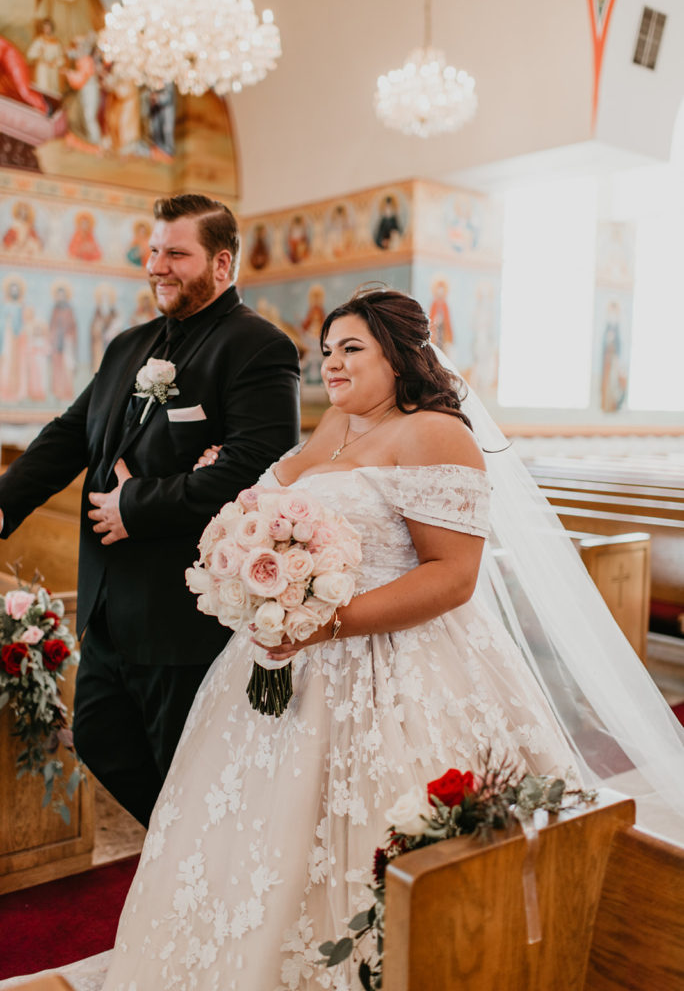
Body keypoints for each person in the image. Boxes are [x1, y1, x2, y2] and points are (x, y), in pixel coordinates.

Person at [6, 286, 684, 991]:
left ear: (400, 354)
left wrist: (323, 621)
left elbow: (453, 576)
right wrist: (246, 557)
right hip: (284, 661)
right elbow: (262, 498)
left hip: (396, 663)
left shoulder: (435, 433)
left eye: (351, 348)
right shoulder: (340, 423)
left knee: (369, 841)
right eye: (326, 351)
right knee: (259, 843)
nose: (331, 364)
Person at [0, 194, 301, 830]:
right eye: (153, 249)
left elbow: (254, 469)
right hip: (107, 607)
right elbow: (68, 434)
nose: (156, 264)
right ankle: (182, 862)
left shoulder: (258, 348)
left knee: (187, 768)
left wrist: (135, 503)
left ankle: (200, 886)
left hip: (183, 612)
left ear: (222, 265)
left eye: (176, 253)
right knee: (103, 742)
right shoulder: (126, 346)